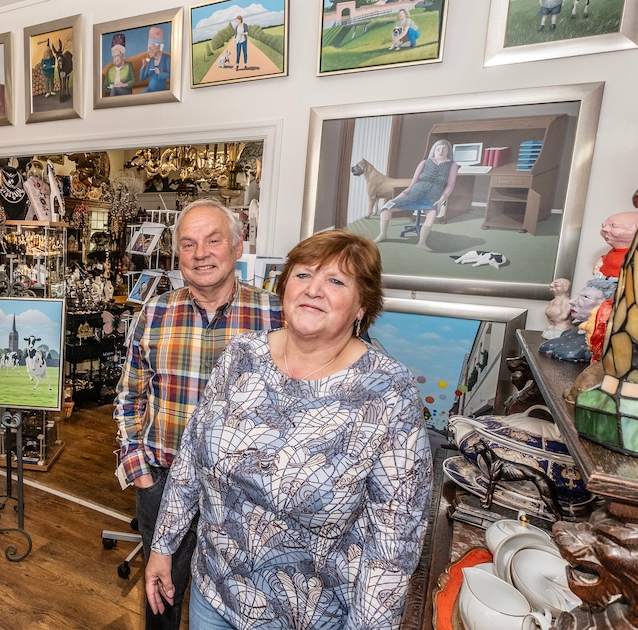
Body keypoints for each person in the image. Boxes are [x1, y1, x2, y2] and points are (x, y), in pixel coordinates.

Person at [144, 230, 432, 629]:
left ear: (362, 305)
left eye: (335, 281)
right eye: (302, 275)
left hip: (309, 617)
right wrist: (163, 547)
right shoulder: (242, 355)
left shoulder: (387, 391)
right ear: (284, 289)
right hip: (215, 597)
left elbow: (393, 547)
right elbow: (191, 460)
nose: (314, 290)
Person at [115, 199, 283, 629]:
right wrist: (139, 471)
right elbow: (129, 395)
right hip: (163, 482)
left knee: (237, 607)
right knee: (161, 600)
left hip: (244, 498)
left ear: (238, 246)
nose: (200, 254)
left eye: (213, 240)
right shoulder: (154, 313)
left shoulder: (275, 315)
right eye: (188, 245)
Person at [375, 139, 460, 252]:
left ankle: (422, 242)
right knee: (386, 208)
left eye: (444, 149)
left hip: (433, 197)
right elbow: (412, 184)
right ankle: (383, 234)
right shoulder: (424, 162)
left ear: (448, 151)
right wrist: (396, 198)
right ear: (433, 150)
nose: (441, 151)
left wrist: (441, 200)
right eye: (438, 149)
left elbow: (450, 186)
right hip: (414, 193)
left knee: (432, 214)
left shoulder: (452, 165)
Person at [140, 26, 171, 93]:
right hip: (150, 90)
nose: (148, 51)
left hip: (161, 90)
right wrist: (144, 66)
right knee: (140, 95)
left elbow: (171, 74)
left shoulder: (166, 58)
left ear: (158, 46)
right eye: (148, 48)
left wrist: (160, 73)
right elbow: (142, 78)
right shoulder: (151, 61)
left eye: (150, 48)